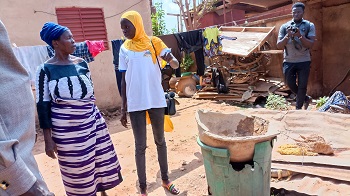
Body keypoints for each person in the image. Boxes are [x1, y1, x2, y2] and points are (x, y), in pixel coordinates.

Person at [36, 22, 123, 196]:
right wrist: (48, 139)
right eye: (69, 38)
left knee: (98, 159)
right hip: (66, 131)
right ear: (55, 43)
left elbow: (89, 94)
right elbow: (42, 104)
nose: (74, 41)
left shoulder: (82, 63)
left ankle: (102, 191)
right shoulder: (45, 69)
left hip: (92, 122)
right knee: (77, 168)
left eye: (73, 37)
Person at [119, 11, 180, 196]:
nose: (124, 31)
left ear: (136, 25)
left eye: (127, 26)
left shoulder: (154, 42)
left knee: (160, 141)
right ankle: (144, 188)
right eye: (122, 28)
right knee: (140, 146)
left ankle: (165, 179)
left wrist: (172, 60)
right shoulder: (123, 49)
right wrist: (123, 108)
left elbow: (174, 62)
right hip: (136, 102)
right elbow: (123, 80)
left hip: (155, 99)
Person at [0, 20, 54, 196]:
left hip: (15, 175)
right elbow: (4, 182)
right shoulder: (47, 69)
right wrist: (21, 185)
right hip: (16, 181)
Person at [277, 2, 316, 110]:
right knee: (290, 84)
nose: (296, 14)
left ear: (303, 12)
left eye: (298, 12)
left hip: (304, 60)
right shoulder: (285, 27)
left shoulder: (309, 25)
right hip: (289, 60)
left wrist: (300, 35)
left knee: (302, 85)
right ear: (291, 13)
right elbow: (279, 45)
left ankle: (298, 109)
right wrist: (287, 36)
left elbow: (311, 44)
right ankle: (306, 98)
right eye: (294, 12)